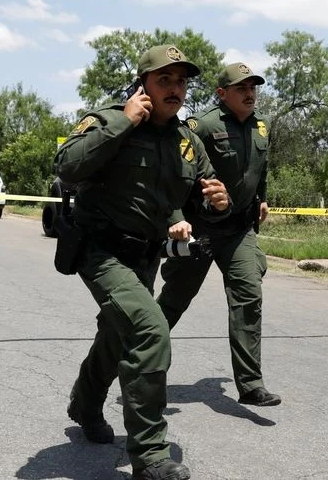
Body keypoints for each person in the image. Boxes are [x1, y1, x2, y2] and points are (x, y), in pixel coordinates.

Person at [55, 44, 231, 480]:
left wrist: (218, 204)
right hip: (100, 250)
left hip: (145, 255)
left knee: (118, 334)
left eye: (182, 81)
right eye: (165, 80)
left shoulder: (187, 142)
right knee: (149, 330)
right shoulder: (108, 119)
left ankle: (85, 404)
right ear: (144, 84)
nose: (176, 89)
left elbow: (201, 202)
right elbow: (67, 166)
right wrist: (124, 121)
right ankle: (150, 455)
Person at [157, 62, 281, 407]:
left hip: (239, 230)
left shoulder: (261, 127)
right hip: (200, 230)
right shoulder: (203, 125)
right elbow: (176, 173)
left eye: (254, 87)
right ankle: (139, 366)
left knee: (248, 297)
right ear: (222, 94)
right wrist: (178, 218)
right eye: (242, 88)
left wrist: (262, 198)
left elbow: (261, 167)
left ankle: (251, 383)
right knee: (173, 302)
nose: (250, 93)